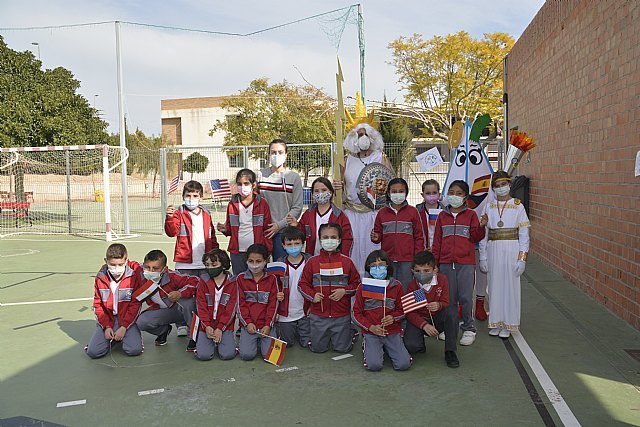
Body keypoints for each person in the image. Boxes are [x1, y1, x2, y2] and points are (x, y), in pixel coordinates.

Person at [333, 123, 393, 276]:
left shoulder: (381, 157)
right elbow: (340, 185)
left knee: (373, 251)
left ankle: (374, 284)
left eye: (366, 134)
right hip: (352, 214)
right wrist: (338, 186)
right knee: (352, 251)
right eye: (360, 134)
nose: (363, 137)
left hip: (373, 214)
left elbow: (389, 183)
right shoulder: (346, 160)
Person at [432, 180, 487, 346]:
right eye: (451, 193)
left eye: (459, 193)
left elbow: (476, 237)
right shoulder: (442, 216)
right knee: (449, 298)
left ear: (465, 197)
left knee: (465, 297)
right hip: (445, 263)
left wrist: (481, 227)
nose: (454, 196)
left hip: (466, 263)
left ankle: (469, 328)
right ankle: (450, 327)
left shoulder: (471, 215)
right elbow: (437, 242)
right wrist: (435, 263)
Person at [479, 171, 530, 338]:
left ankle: (509, 323)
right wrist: (483, 257)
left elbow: (524, 235)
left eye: (504, 184)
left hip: (511, 250)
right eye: (497, 185)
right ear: (493, 188)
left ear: (509, 184)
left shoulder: (518, 206)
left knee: (510, 287)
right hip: (493, 250)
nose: (501, 188)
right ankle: (496, 321)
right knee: (494, 287)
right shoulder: (488, 207)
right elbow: (484, 234)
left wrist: (522, 259)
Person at [165, 180, 219, 336]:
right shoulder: (178, 213)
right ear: (183, 196)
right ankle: (182, 324)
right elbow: (172, 232)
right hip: (185, 263)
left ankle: (204, 321)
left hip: (204, 263)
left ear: (201, 197)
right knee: (183, 295)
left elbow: (212, 236)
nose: (191, 199)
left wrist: (215, 255)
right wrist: (169, 218)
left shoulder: (206, 213)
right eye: (188, 195)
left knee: (205, 294)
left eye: (195, 196)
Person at [298, 223, 361, 353]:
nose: (329, 240)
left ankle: (351, 331)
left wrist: (345, 291)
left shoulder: (347, 262)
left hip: (341, 315)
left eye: (333, 237)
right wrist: (313, 296)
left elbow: (357, 284)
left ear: (339, 240)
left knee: (343, 349)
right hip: (319, 315)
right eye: (325, 237)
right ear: (320, 240)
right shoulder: (312, 262)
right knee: (317, 349)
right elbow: (302, 284)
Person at [352, 250, 411, 372]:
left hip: (392, 331)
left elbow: (402, 310)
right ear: (368, 268)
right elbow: (356, 314)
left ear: (388, 266)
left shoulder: (397, 286)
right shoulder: (363, 287)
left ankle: (389, 348)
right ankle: (368, 345)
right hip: (372, 332)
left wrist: (393, 318)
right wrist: (370, 327)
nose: (378, 268)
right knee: (374, 365)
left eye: (381, 265)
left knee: (403, 364)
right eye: (373, 266)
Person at [85, 243, 143, 359]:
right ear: (105, 261)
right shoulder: (100, 278)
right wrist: (106, 327)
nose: (116, 269)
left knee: (134, 350)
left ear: (126, 261)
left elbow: (135, 305)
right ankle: (112, 337)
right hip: (108, 319)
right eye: (112, 265)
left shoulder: (133, 277)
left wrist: (124, 327)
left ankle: (123, 335)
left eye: (120, 264)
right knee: (93, 352)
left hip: (127, 319)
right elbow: (98, 305)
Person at [136, 250, 201, 352]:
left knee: (188, 303)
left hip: (180, 309)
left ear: (165, 269)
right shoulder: (140, 273)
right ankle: (163, 331)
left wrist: (180, 293)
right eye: (147, 267)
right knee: (141, 322)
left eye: (155, 268)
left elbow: (196, 281)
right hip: (162, 311)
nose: (151, 271)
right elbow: (128, 264)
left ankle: (194, 337)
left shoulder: (173, 276)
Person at [403, 251, 459, 368]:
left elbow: (446, 302)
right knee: (411, 346)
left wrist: (439, 305)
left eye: (426, 271)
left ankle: (450, 351)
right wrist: (424, 325)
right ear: (412, 271)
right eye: (418, 271)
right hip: (421, 320)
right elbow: (410, 312)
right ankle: (420, 343)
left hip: (437, 318)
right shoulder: (413, 285)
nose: (422, 274)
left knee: (452, 312)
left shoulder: (442, 280)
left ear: (435, 270)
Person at [370, 177, 424, 290]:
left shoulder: (413, 212)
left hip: (407, 260)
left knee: (406, 289)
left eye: (401, 191)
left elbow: (419, 236)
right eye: (394, 191)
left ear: (406, 193)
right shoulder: (382, 213)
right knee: (390, 288)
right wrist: (375, 237)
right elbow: (377, 235)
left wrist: (417, 257)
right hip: (387, 259)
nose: (397, 194)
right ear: (388, 193)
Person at [217, 169, 273, 276]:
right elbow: (230, 228)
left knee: (259, 280)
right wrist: (225, 229)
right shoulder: (232, 204)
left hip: (257, 252)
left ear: (253, 185)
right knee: (239, 279)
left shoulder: (262, 203)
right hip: (237, 252)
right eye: (239, 184)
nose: (242, 187)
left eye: (246, 183)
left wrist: (268, 251)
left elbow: (267, 229)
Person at [257, 139, 303, 261]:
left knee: (281, 266)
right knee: (261, 267)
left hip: (283, 232)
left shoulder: (294, 177)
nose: (276, 155)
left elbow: (297, 208)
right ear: (268, 154)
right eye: (273, 152)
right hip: (263, 231)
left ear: (286, 155)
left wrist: (279, 225)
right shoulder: (260, 175)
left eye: (280, 152)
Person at [287, 177, 353, 256]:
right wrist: (296, 225)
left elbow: (347, 239)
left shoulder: (340, 215)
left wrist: (343, 257)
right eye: (316, 191)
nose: (320, 193)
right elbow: (302, 235)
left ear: (331, 192)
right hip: (313, 257)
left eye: (324, 190)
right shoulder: (308, 214)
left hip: (334, 259)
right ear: (312, 194)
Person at [236, 243, 279, 361]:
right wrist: (247, 323)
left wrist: (268, 325)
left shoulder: (272, 278)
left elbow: (273, 304)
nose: (254, 265)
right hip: (249, 326)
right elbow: (240, 305)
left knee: (271, 356)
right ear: (246, 261)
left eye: (258, 261)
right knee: (246, 355)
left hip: (266, 326)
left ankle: (272, 334)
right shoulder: (240, 279)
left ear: (266, 260)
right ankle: (250, 340)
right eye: (251, 261)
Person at [194, 248, 237, 360]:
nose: (210, 268)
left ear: (223, 265)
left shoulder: (233, 283)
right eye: (207, 265)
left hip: (224, 324)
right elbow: (201, 306)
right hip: (207, 324)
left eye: (214, 265)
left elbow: (231, 309)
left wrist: (220, 328)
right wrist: (207, 326)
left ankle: (228, 343)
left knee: (227, 355)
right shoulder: (203, 282)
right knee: (203, 356)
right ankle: (201, 341)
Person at [275, 226, 312, 347]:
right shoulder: (279, 265)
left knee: (307, 343)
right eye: (289, 244)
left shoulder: (310, 262)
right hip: (286, 314)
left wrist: (312, 305)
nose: (293, 247)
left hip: (305, 312)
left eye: (297, 243)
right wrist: (276, 295)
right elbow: (273, 286)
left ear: (303, 244)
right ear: (283, 245)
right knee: (287, 343)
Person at [416, 179, 445, 252]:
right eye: (428, 193)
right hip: (423, 251)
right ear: (422, 195)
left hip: (441, 251)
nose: (431, 195)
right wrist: (422, 249)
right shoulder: (417, 212)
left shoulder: (445, 212)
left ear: (439, 194)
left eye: (434, 192)